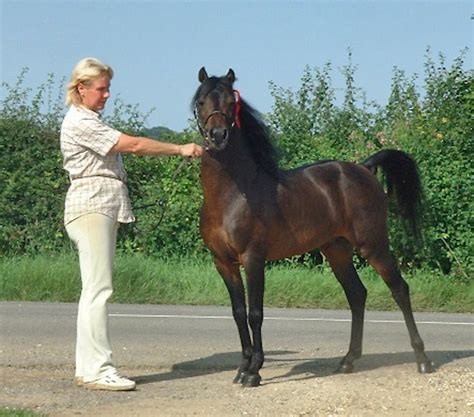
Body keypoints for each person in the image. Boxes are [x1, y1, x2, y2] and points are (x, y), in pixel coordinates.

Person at [60, 57, 202, 391]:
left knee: (93, 290)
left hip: (98, 205)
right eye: (101, 88)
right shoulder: (82, 122)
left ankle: (88, 367)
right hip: (92, 206)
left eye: (108, 88)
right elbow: (134, 144)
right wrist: (181, 149)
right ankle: (98, 370)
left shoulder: (86, 119)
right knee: (99, 290)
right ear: (82, 88)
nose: (107, 95)